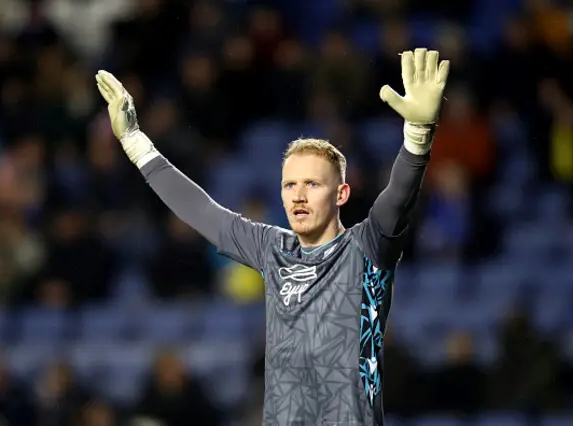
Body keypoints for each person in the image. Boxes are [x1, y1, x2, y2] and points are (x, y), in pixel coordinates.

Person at [95, 47, 449, 426]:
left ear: (341, 194)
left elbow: (397, 198)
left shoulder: (367, 247)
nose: (298, 195)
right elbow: (200, 210)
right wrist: (133, 141)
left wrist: (417, 138)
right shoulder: (272, 248)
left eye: (312, 184)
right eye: (289, 185)